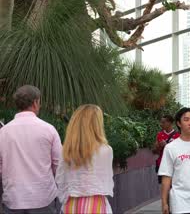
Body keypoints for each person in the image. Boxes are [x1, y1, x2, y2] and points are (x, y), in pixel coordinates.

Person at [0, 85, 62, 213]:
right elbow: (59, 165)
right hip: (43, 198)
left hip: (13, 198)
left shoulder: (4, 132)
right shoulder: (48, 129)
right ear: (35, 103)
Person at [55, 104, 114, 213]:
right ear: (96, 125)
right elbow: (106, 180)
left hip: (71, 204)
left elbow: (60, 179)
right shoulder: (106, 150)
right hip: (95, 205)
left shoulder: (66, 150)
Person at [153, 115, 180, 184]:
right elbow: (154, 151)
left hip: (174, 165)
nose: (161, 124)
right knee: (164, 187)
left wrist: (167, 146)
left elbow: (180, 152)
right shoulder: (159, 134)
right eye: (161, 122)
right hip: (162, 165)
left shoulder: (178, 135)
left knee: (173, 187)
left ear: (170, 123)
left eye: (163, 122)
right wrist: (158, 147)